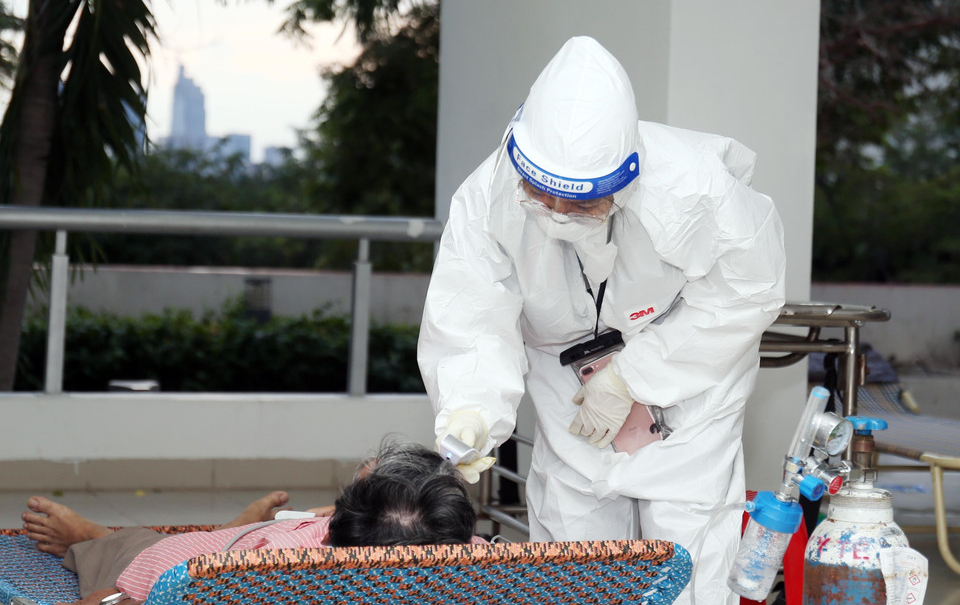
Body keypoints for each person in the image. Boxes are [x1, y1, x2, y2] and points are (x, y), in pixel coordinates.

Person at [417, 36, 786, 605]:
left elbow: (749, 292)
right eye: (544, 196)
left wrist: (636, 375)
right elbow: (472, 315)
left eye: (584, 202)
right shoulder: (485, 199)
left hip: (686, 365)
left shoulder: (694, 187)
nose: (561, 215)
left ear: (628, 172)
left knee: (687, 551)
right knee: (573, 555)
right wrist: (470, 407)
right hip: (564, 373)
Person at [21, 441, 478, 605]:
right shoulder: (468, 556)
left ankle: (92, 537)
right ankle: (232, 526)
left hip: (161, 563)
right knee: (222, 539)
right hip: (258, 541)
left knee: (133, 544)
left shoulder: (257, 580)